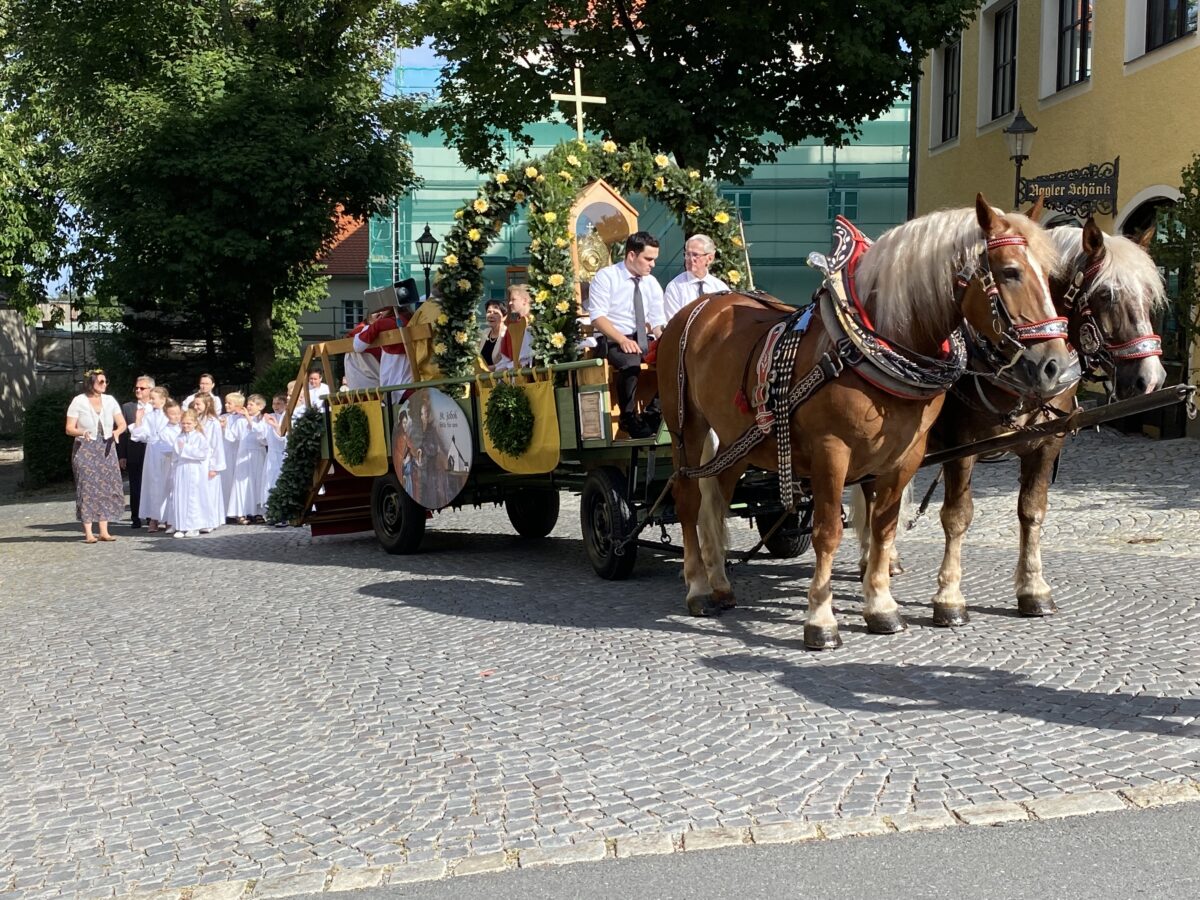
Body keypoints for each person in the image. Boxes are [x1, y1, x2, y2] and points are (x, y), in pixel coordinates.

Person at [587, 231, 666, 438]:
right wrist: (621, 339)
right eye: (648, 259)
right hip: (613, 338)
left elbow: (657, 322)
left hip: (643, 340)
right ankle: (627, 416)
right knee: (630, 361)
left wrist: (664, 337)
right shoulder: (607, 277)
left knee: (677, 360)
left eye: (655, 260)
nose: (653, 265)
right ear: (632, 255)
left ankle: (655, 411)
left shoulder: (651, 283)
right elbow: (598, 317)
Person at [64, 368, 128, 542]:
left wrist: (117, 432)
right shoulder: (79, 401)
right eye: (101, 381)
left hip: (106, 447)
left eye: (106, 381)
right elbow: (69, 428)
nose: (104, 384)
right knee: (88, 487)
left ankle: (104, 530)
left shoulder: (110, 400)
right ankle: (88, 532)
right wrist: (81, 431)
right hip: (85, 448)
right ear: (90, 383)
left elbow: (122, 423)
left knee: (107, 486)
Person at [352, 292, 413, 399]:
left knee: (351, 356)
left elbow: (357, 345)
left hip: (397, 388)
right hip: (412, 382)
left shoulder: (383, 324)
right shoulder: (413, 319)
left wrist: (371, 327)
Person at [130, 386, 171, 533]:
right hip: (152, 452)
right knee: (153, 485)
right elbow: (140, 435)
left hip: (167, 452)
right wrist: (139, 419)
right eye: (151, 398)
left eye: (154, 398)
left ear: (163, 399)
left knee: (167, 484)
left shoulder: (169, 414)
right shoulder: (149, 416)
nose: (151, 401)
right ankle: (154, 518)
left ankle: (168, 518)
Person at [663, 234, 731, 321]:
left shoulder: (720, 288)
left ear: (710, 258)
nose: (691, 259)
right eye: (687, 254)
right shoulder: (675, 287)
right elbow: (673, 323)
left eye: (695, 255)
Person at [118, 374, 154, 527]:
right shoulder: (128, 407)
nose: (138, 390)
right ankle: (136, 516)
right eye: (136, 387)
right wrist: (122, 455)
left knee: (153, 484)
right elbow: (123, 433)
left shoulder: (157, 406)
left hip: (153, 451)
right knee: (136, 485)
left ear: (151, 389)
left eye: (142, 388)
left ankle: (152, 516)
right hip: (134, 451)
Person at [225, 392, 267, 524]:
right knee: (241, 484)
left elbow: (263, 438)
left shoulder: (264, 420)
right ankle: (241, 512)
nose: (248, 407)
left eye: (251, 405)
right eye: (248, 404)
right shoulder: (240, 421)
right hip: (243, 454)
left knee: (257, 482)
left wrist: (249, 418)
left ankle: (258, 512)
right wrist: (224, 427)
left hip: (258, 454)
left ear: (260, 406)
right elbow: (232, 437)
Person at [170, 410, 211, 538]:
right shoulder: (179, 437)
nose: (186, 426)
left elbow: (203, 454)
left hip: (194, 469)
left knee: (193, 496)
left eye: (189, 423)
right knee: (181, 496)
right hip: (181, 469)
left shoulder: (200, 437)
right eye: (183, 423)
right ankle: (180, 526)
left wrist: (187, 448)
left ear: (194, 423)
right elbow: (175, 455)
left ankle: (193, 526)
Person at [189, 393, 226, 532]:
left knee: (210, 492)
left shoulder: (213, 422)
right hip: (197, 460)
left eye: (199, 404)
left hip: (209, 461)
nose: (196, 406)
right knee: (199, 492)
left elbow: (217, 446)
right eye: (195, 404)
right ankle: (200, 519)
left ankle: (211, 520)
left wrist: (214, 466)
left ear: (207, 405)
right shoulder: (194, 420)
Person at [495, 285, 534, 371]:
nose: (509, 303)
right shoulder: (513, 327)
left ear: (524, 300)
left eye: (513, 299)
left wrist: (507, 367)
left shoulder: (535, 324)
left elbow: (528, 357)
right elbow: (506, 357)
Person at [344, 309, 384, 390]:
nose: (380, 313)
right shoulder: (361, 331)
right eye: (377, 310)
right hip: (369, 386)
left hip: (364, 388)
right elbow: (358, 346)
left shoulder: (362, 330)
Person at [477, 299, 507, 370]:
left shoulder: (507, 335)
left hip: (500, 377)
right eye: (489, 312)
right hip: (482, 376)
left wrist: (490, 368)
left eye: (495, 313)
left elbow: (508, 362)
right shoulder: (484, 333)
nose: (491, 315)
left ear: (504, 317)